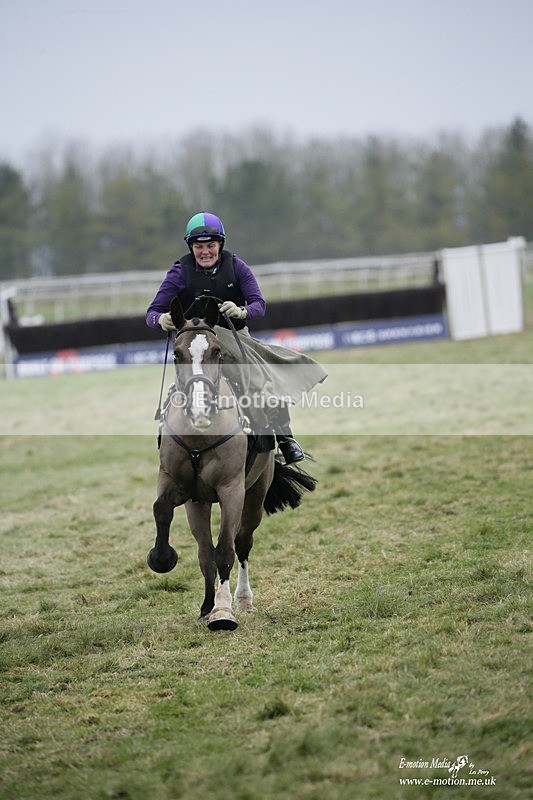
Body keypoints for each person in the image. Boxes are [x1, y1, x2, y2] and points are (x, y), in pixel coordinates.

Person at [146, 211, 327, 464]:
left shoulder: (237, 267)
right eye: (199, 247)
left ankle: (285, 437)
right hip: (196, 345)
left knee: (262, 381)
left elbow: (259, 305)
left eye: (211, 245)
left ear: (220, 244)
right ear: (191, 248)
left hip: (235, 337)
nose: (205, 252)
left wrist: (242, 311)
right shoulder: (179, 272)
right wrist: (161, 320)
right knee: (186, 382)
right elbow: (152, 313)